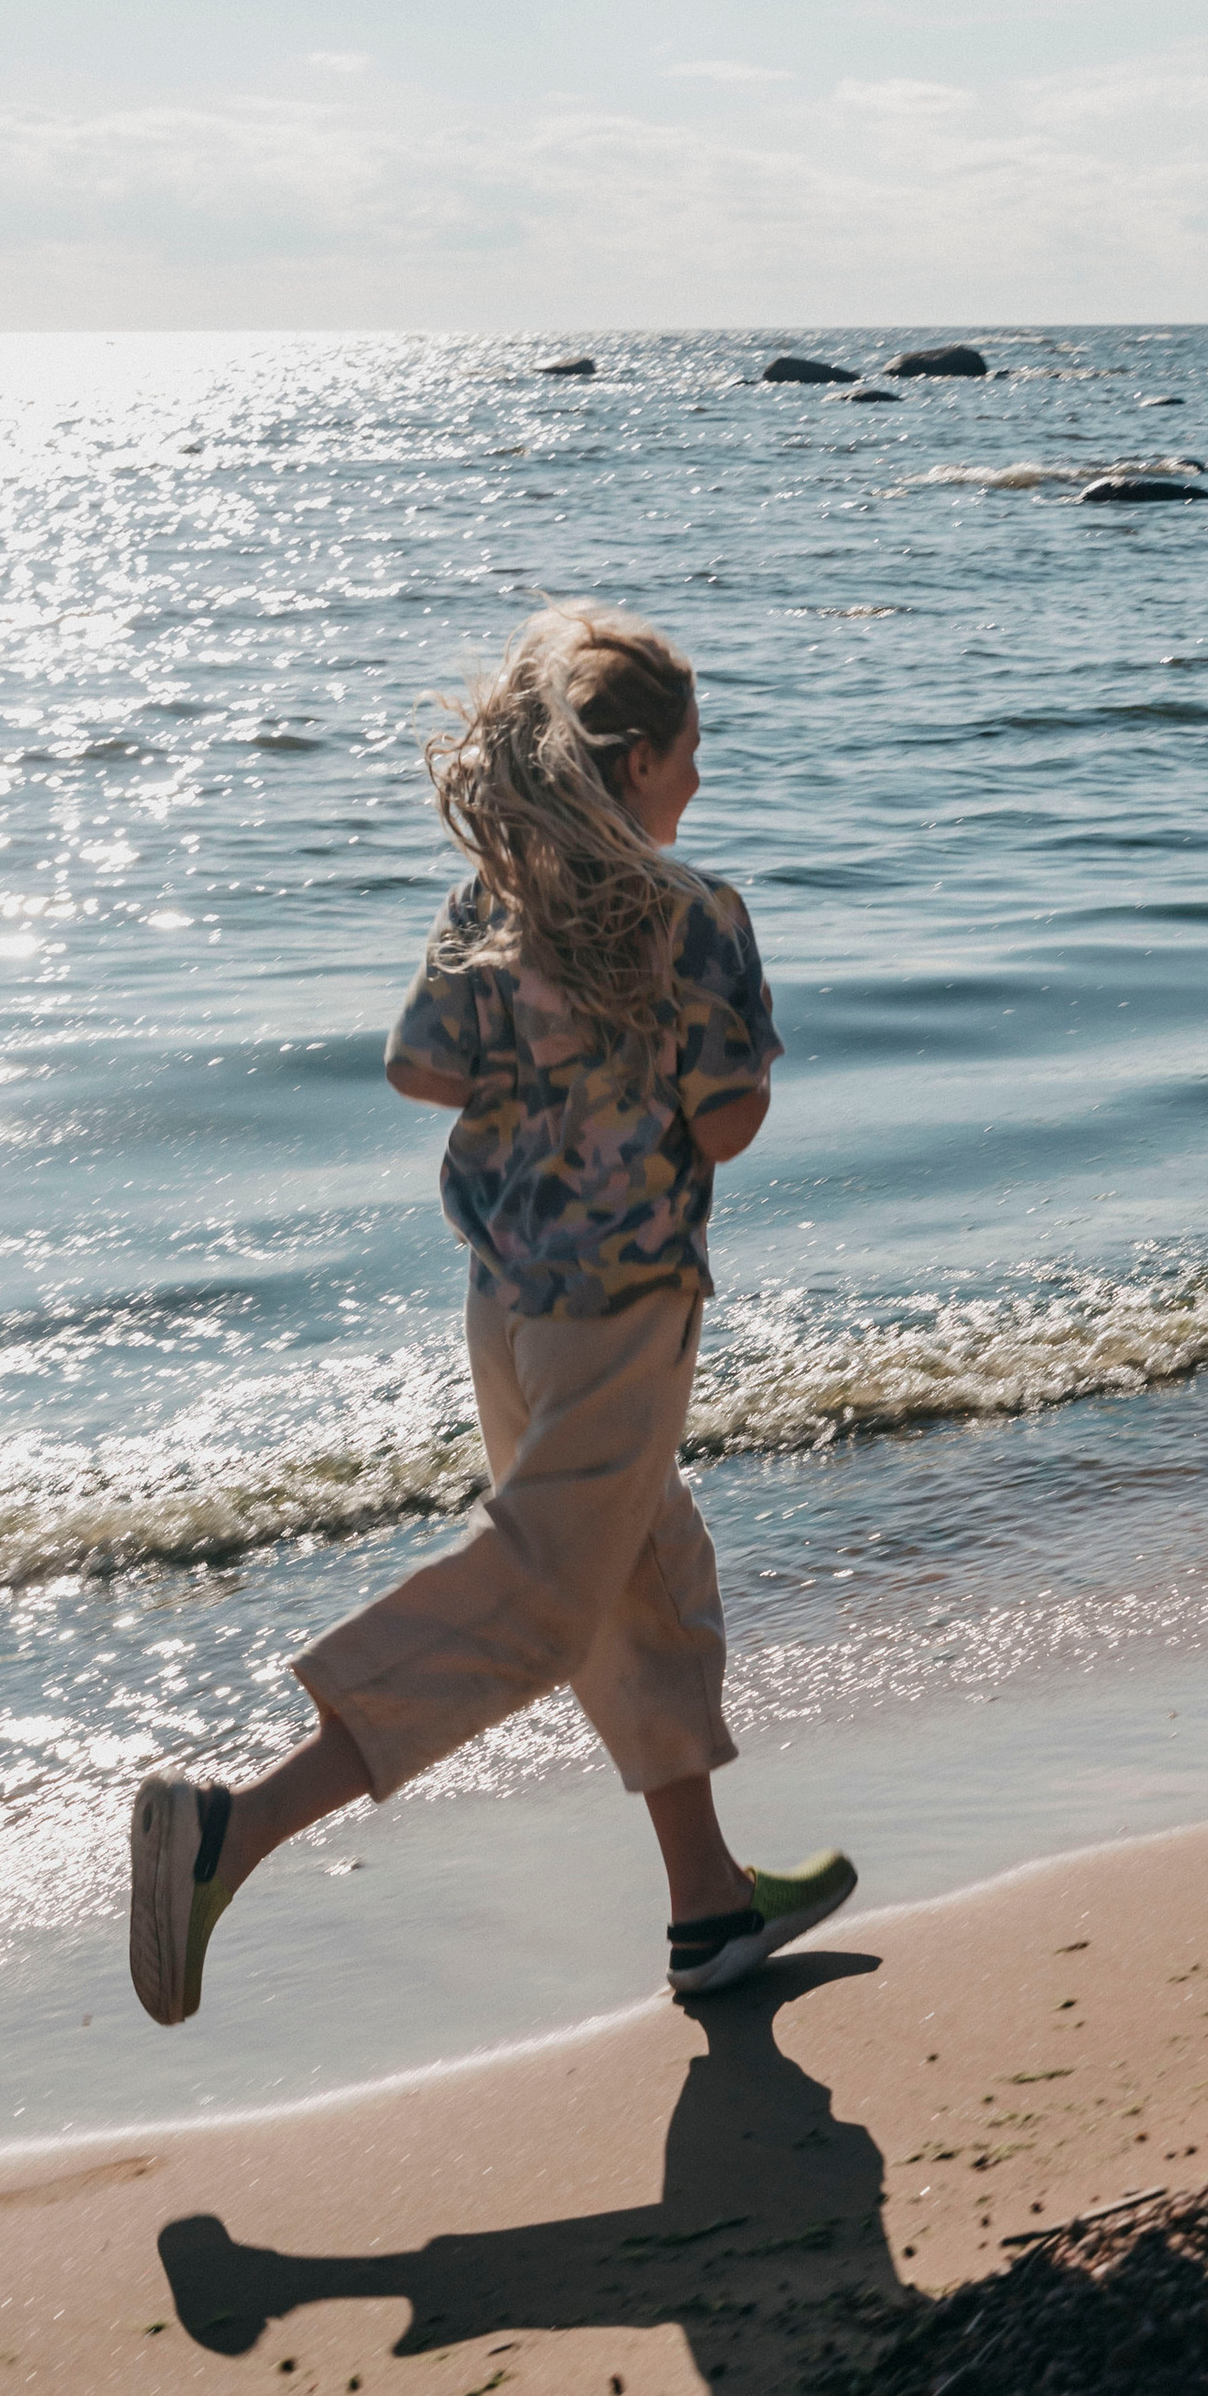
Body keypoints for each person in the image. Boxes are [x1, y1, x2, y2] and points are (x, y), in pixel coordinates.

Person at [128, 601, 853, 2028]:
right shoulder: (696, 917)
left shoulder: (488, 909)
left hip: (505, 1303)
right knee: (540, 1594)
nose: (701, 783)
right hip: (624, 1313)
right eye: (691, 756)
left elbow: (418, 1071)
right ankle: (237, 1826)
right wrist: (648, 1061)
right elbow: (729, 1123)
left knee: (644, 1579)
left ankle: (708, 1906)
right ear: (637, 761)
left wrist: (542, 1066)